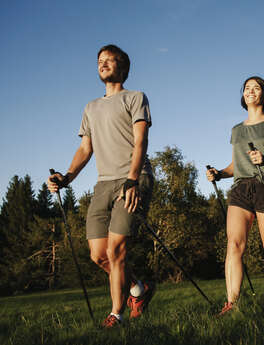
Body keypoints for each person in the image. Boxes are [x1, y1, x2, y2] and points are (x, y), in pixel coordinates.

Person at [47, 44, 154, 327]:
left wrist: (133, 179)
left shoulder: (135, 97)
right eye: (99, 61)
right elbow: (85, 149)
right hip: (103, 183)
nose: (103, 64)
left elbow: (141, 141)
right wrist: (67, 177)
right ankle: (138, 289)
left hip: (133, 178)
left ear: (123, 67)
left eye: (110, 60)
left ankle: (116, 314)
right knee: (98, 255)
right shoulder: (90, 107)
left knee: (116, 249)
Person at [207, 76, 264, 315]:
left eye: (256, 87)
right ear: (243, 95)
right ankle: (231, 303)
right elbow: (236, 165)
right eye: (247, 88)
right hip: (242, 188)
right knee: (234, 244)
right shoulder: (237, 130)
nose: (250, 91)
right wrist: (219, 174)